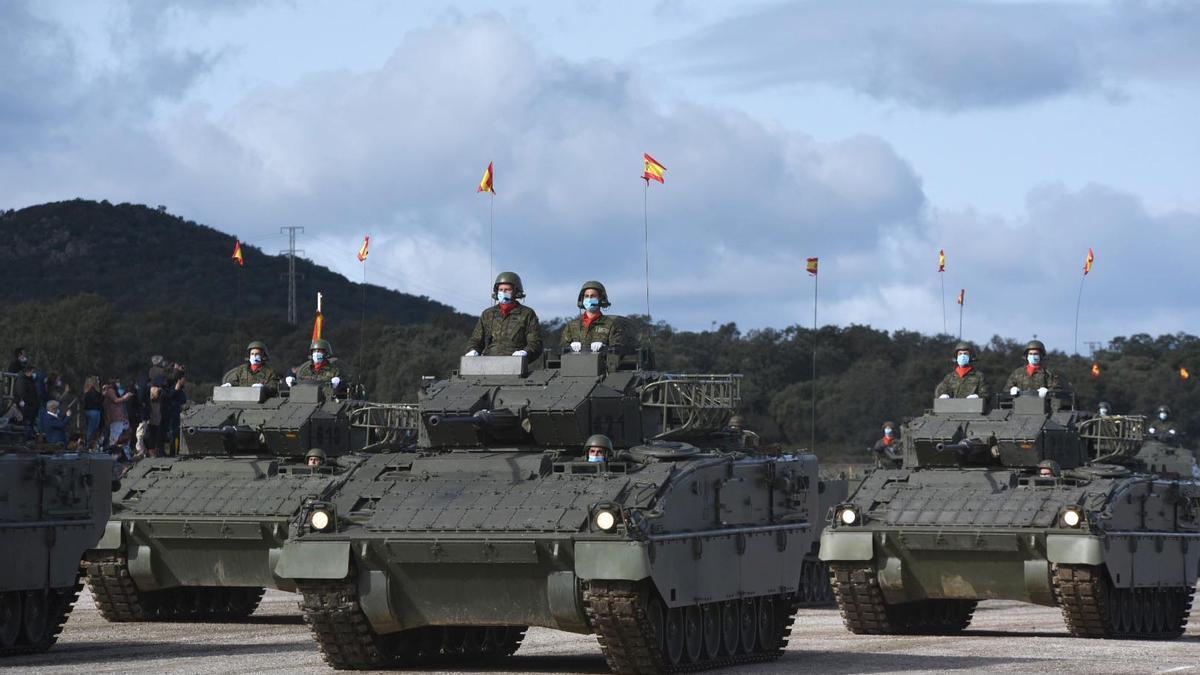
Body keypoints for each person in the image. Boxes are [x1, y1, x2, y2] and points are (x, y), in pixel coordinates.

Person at [465, 272, 543, 360]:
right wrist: (473, 350)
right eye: (500, 289)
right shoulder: (488, 314)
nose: (503, 292)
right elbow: (476, 340)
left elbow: (535, 342)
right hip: (488, 363)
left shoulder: (527, 314)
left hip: (515, 363)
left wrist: (526, 352)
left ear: (516, 291)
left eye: (507, 289)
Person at [560, 280, 626, 354]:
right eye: (586, 296)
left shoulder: (612, 325)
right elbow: (562, 349)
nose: (589, 299)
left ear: (601, 299)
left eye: (593, 296)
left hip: (601, 364)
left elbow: (618, 350)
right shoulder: (572, 326)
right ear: (582, 300)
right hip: (576, 364)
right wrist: (570, 347)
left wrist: (605, 348)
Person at [103, 380, 136, 456]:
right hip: (115, 417)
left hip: (120, 417)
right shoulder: (110, 390)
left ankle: (124, 454)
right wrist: (125, 397)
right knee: (115, 437)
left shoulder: (114, 391)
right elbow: (116, 400)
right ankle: (113, 455)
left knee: (125, 435)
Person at [15, 363, 40, 441]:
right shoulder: (22, 380)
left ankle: (29, 439)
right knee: (27, 426)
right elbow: (22, 394)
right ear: (28, 371)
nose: (33, 373)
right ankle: (26, 440)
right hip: (27, 408)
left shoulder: (30, 380)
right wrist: (32, 403)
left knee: (30, 425)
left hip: (31, 408)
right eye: (32, 371)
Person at [82, 376, 104, 448]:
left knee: (90, 428)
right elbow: (98, 401)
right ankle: (89, 444)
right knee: (92, 429)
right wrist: (102, 395)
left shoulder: (86, 391)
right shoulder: (93, 391)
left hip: (89, 411)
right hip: (94, 411)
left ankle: (88, 443)